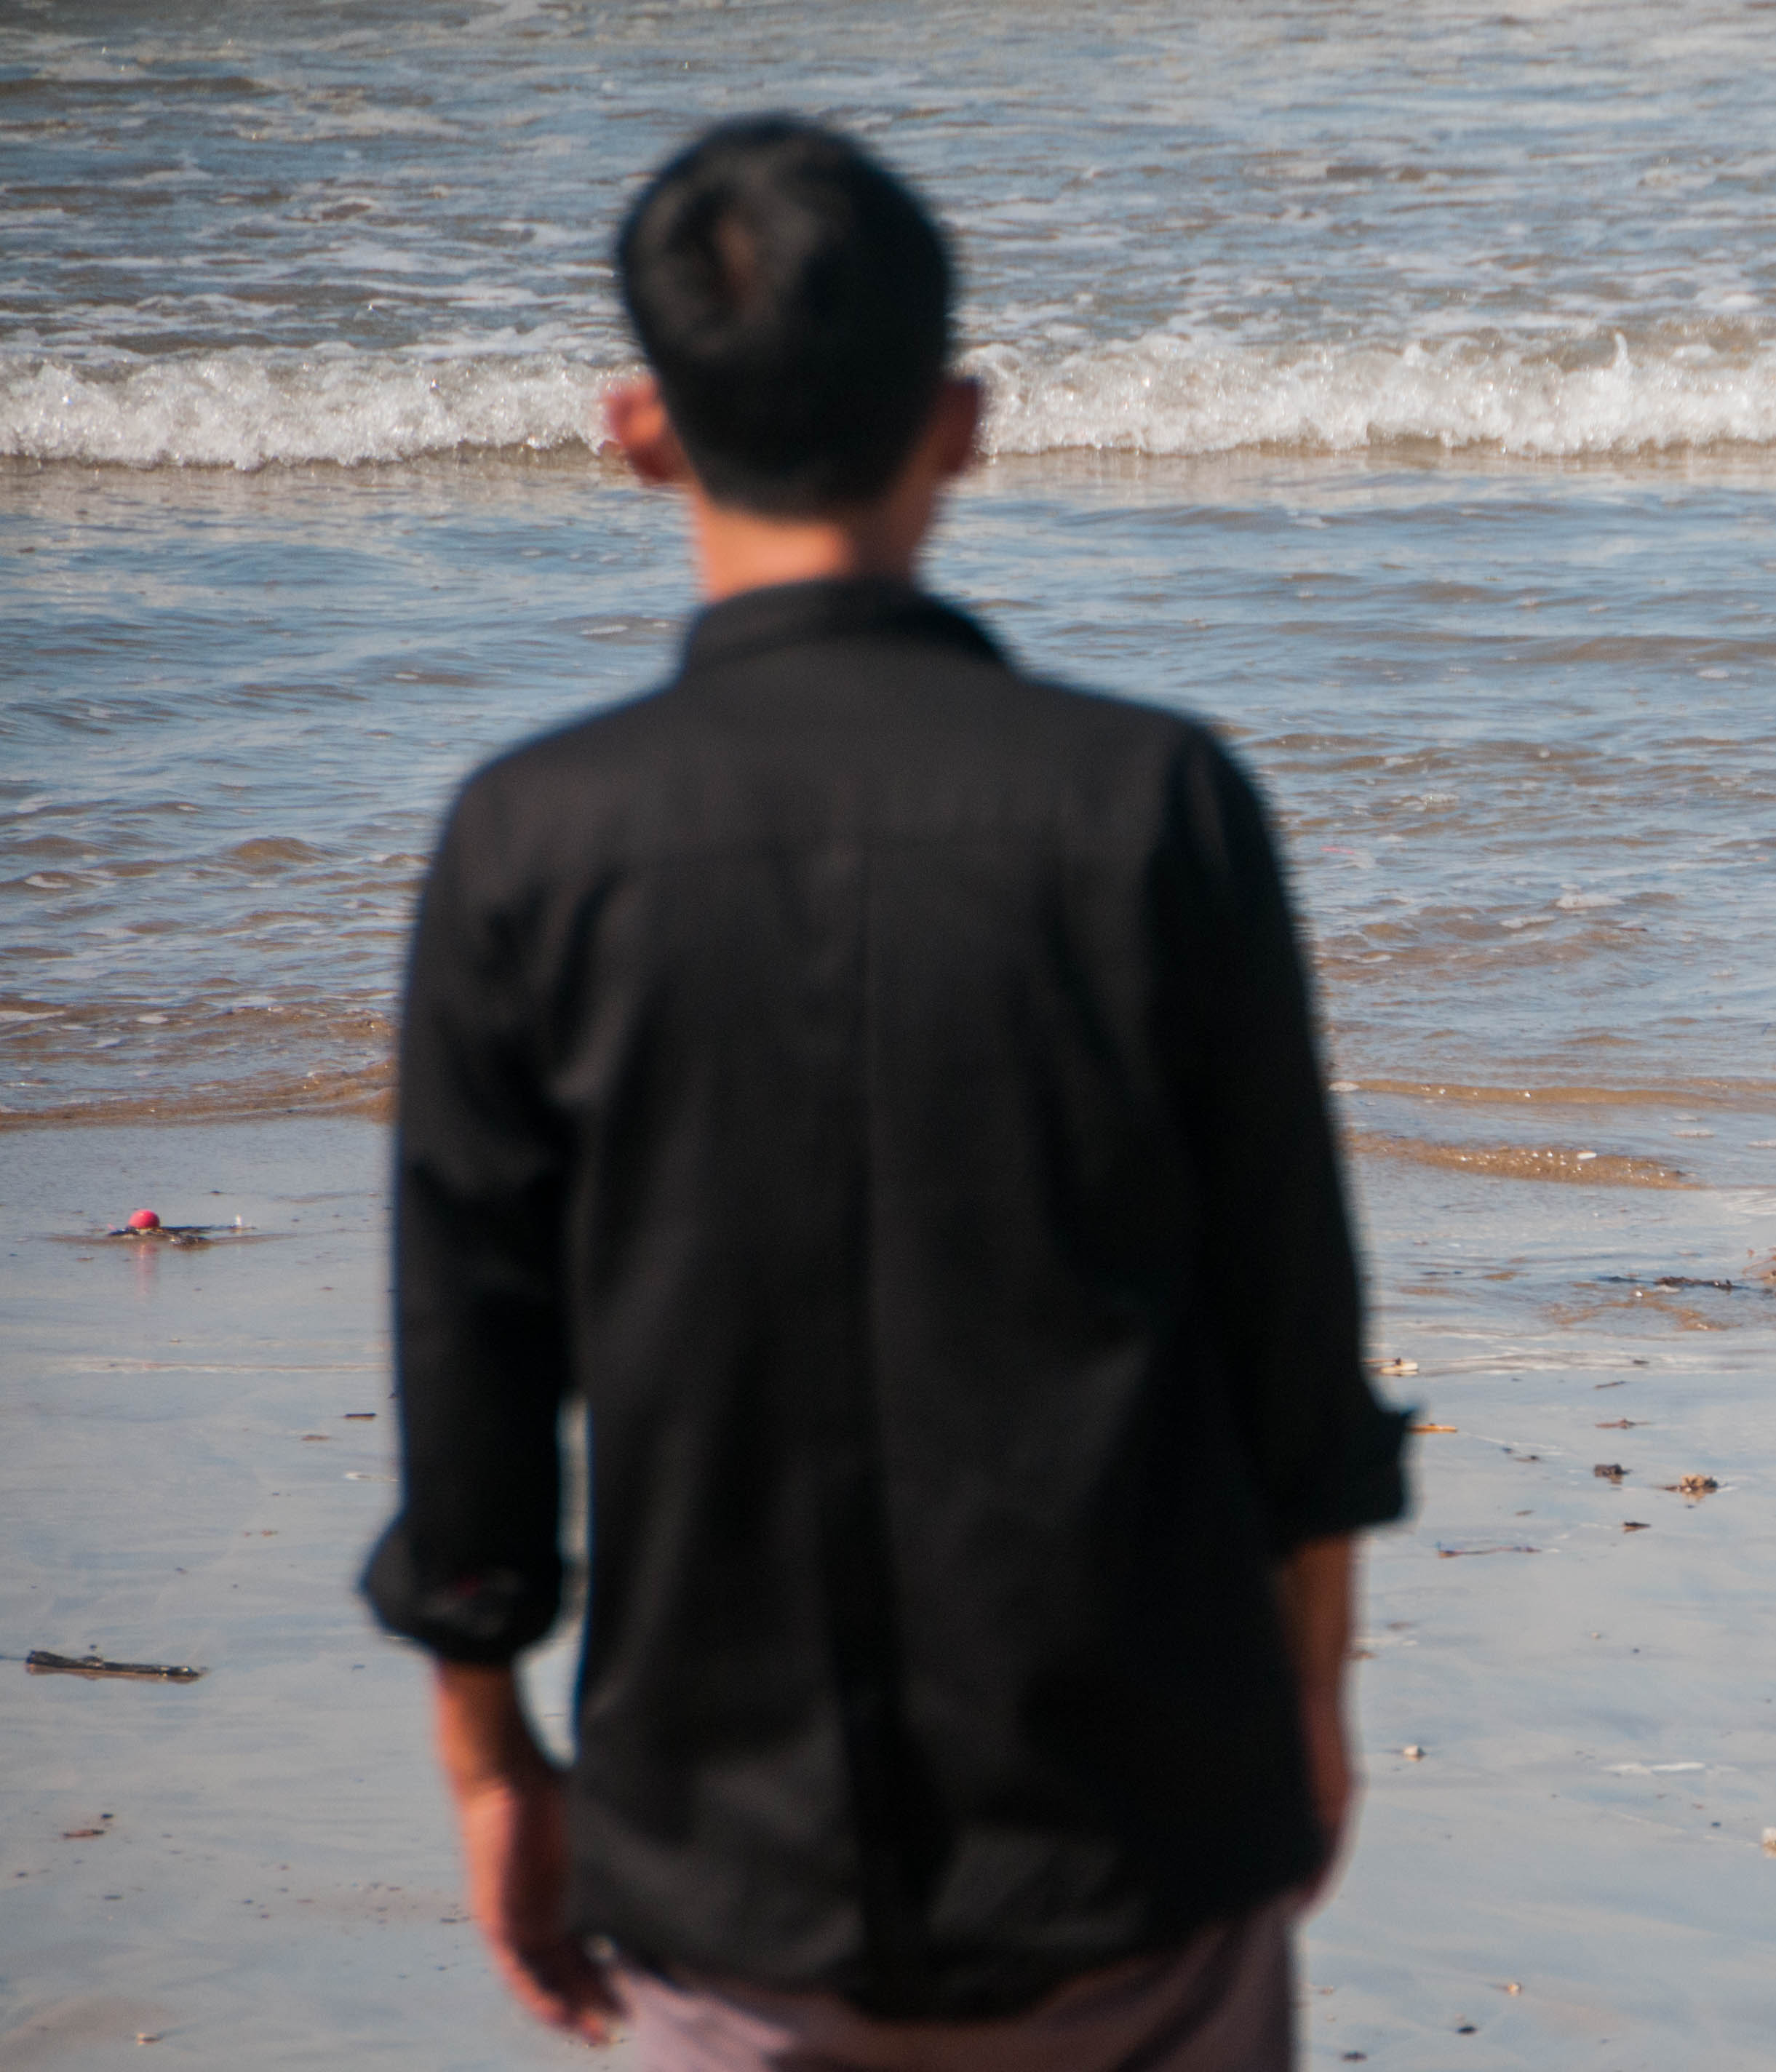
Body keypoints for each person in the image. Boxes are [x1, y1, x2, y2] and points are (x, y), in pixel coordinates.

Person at [362, 116, 1407, 2071]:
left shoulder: (530, 844)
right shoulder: (1152, 804)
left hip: (724, 1869)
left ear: (639, 426)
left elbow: (471, 1369)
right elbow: (1292, 1333)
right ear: (963, 419)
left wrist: (494, 1764)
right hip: (1140, 1841)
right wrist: (1311, 1698)